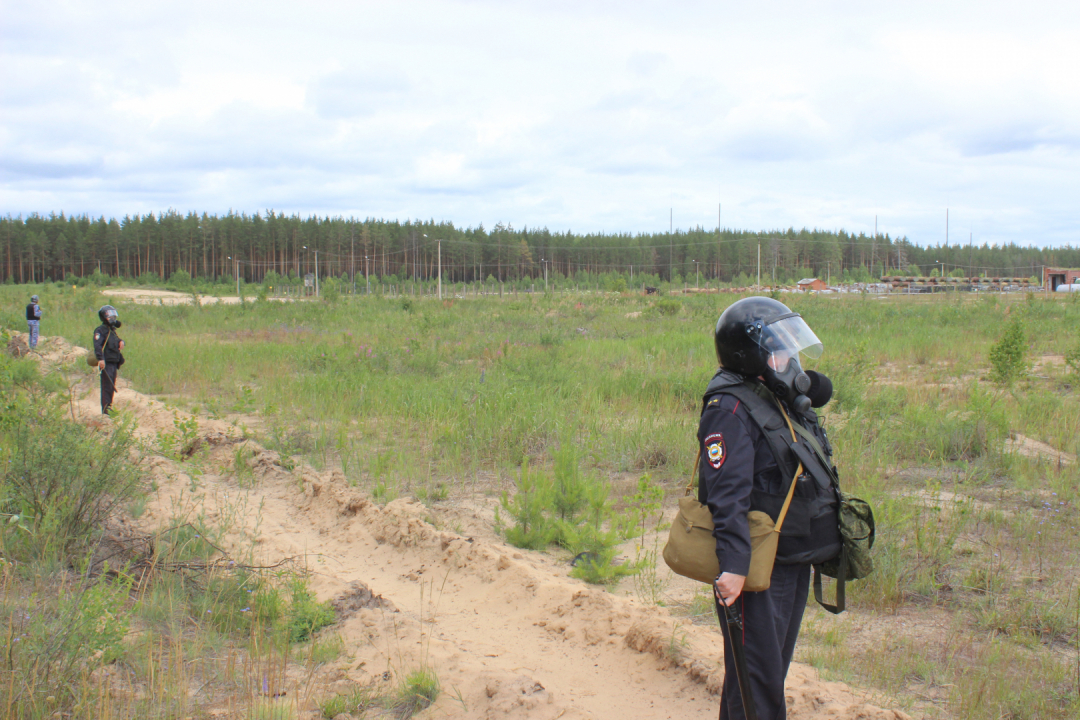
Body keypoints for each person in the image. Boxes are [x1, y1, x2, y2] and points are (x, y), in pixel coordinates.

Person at [699, 296, 841, 720]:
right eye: (778, 350)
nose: (789, 359)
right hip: (757, 566)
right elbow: (727, 494)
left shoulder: (771, 394)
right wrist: (735, 567)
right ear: (749, 355)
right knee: (758, 682)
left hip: (790, 556)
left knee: (764, 673)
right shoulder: (729, 408)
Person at [93, 305, 125, 415]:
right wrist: (101, 359)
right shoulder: (100, 330)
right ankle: (105, 411)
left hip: (113, 362)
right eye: (109, 315)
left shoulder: (111, 330)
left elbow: (115, 340)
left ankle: (109, 407)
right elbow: (97, 346)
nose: (113, 318)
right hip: (106, 363)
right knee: (107, 387)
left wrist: (122, 342)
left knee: (111, 387)